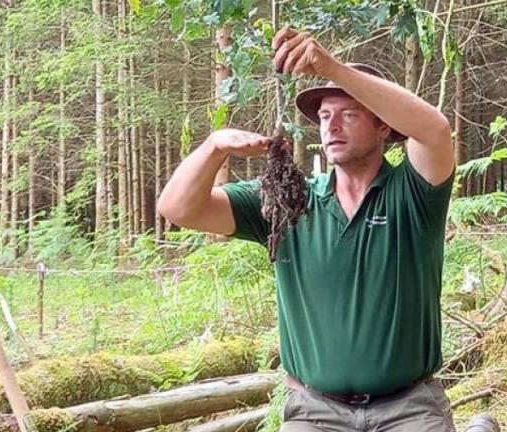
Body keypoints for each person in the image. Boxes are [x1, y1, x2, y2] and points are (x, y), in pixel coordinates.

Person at [159, 27, 473, 432]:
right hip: (315, 412)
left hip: (410, 408)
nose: (332, 126)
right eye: (325, 116)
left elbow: (434, 130)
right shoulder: (288, 201)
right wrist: (214, 146)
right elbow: (177, 208)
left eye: (349, 113)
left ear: (383, 128)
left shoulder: (413, 193)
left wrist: (329, 67)